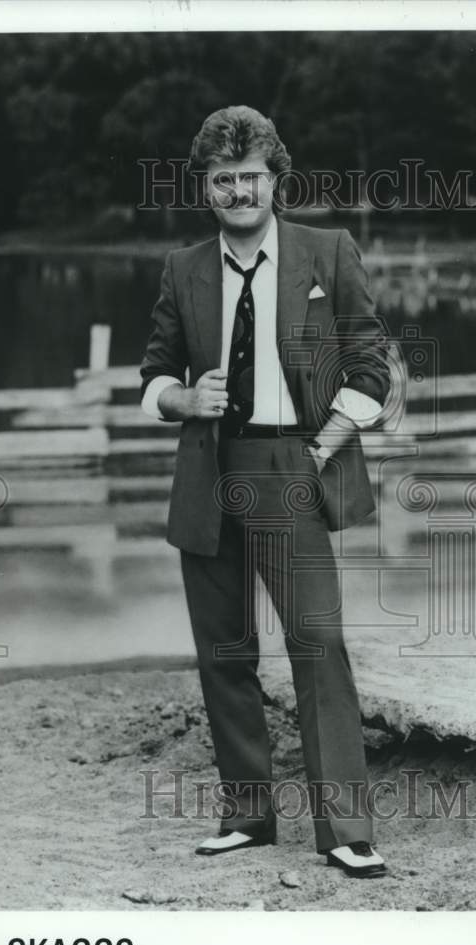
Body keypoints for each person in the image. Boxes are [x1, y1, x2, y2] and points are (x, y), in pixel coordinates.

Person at [140, 106, 390, 878]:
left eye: (251, 176)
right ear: (206, 188)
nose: (238, 191)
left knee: (318, 648)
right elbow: (151, 374)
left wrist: (319, 450)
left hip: (293, 467)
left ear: (275, 180)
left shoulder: (326, 251)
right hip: (208, 473)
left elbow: (373, 375)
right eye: (223, 179)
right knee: (224, 650)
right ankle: (247, 816)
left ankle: (345, 829)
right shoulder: (183, 268)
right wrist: (181, 400)